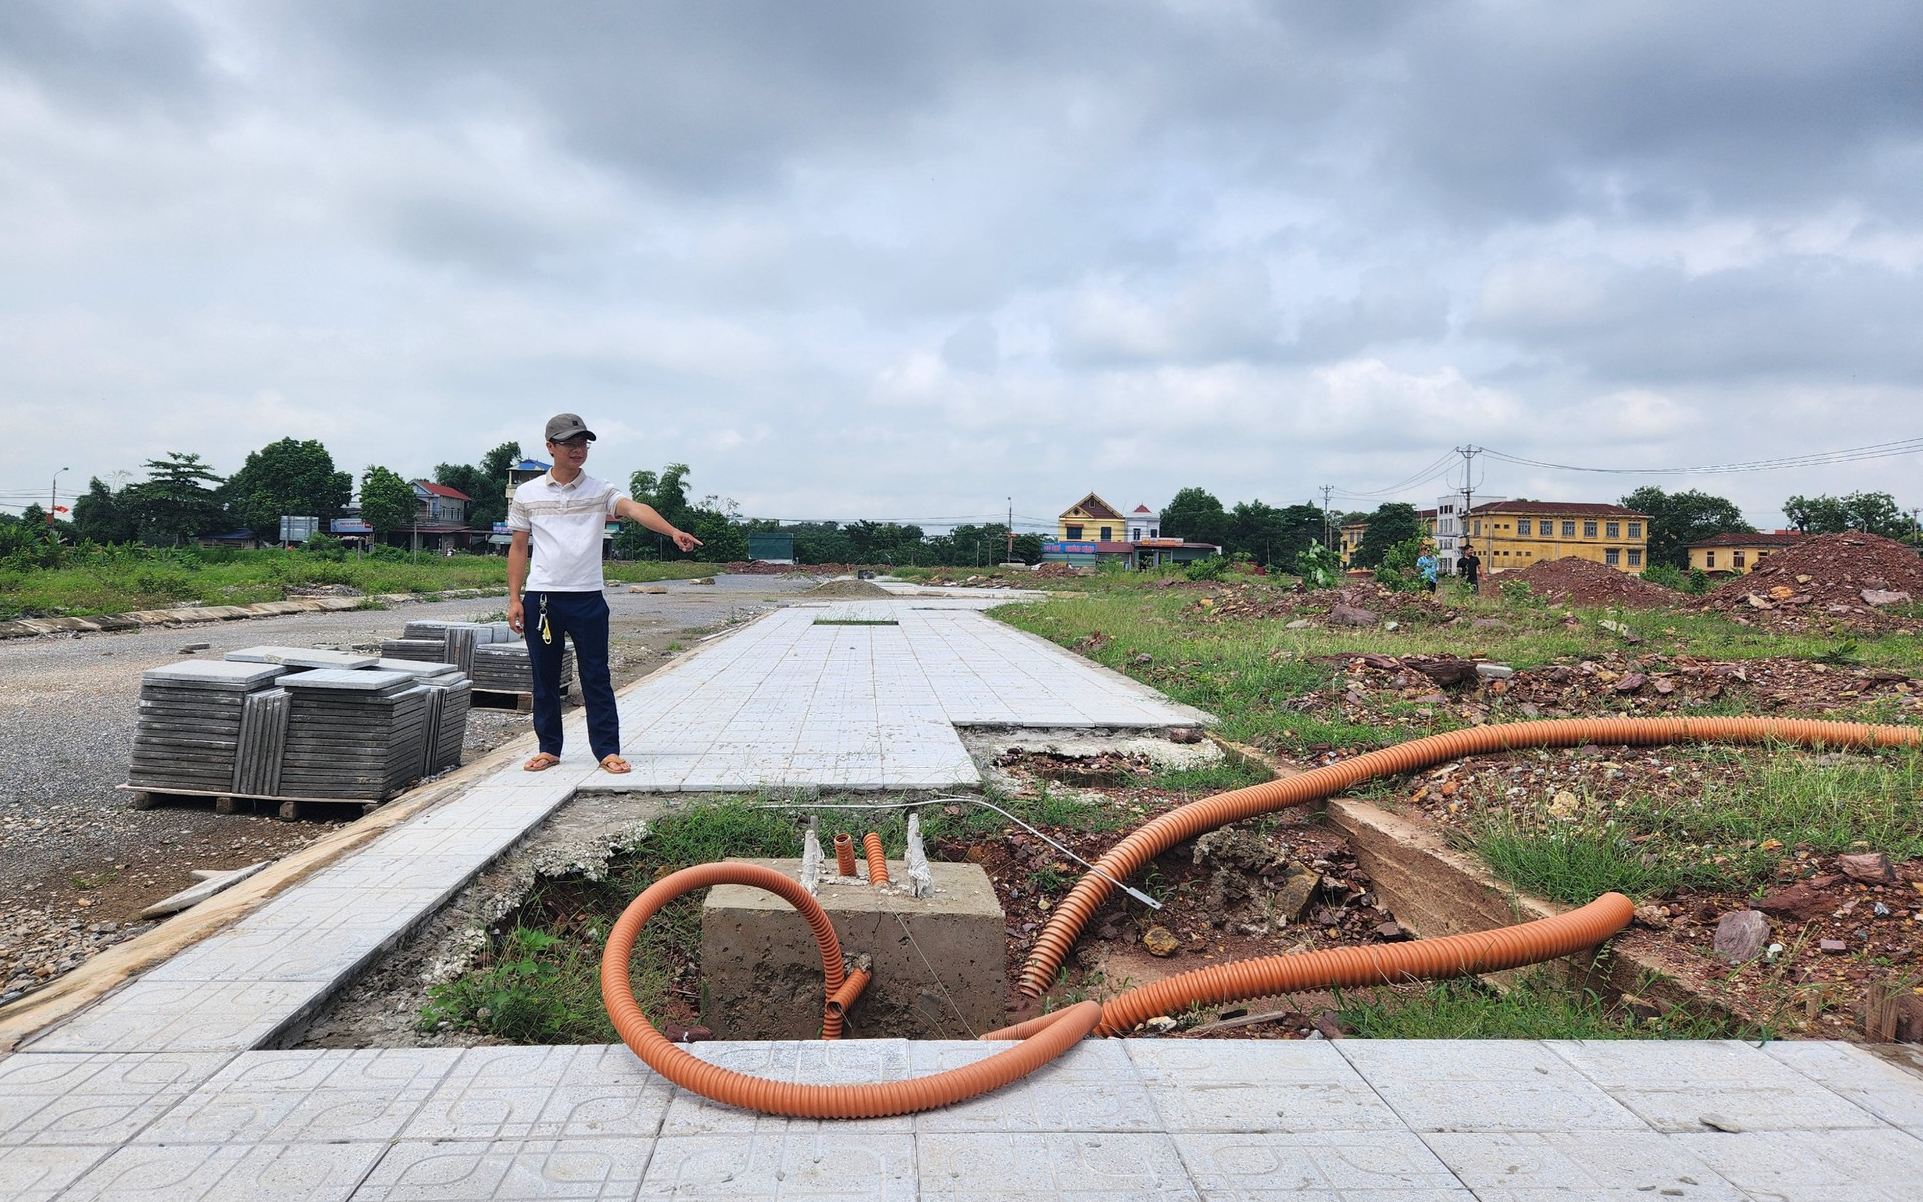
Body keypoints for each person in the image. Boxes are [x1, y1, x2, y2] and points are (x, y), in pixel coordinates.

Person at [506, 413, 702, 773]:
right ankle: (549, 748)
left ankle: (607, 750)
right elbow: (518, 548)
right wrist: (515, 598)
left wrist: (672, 531)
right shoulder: (527, 493)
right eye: (569, 443)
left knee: (596, 676)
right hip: (543, 599)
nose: (578, 450)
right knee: (544, 678)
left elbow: (634, 508)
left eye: (583, 443)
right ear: (550, 447)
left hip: (587, 599)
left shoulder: (599, 490)